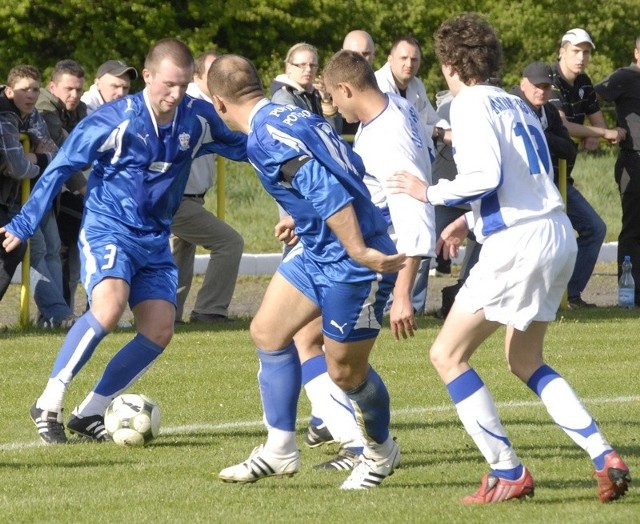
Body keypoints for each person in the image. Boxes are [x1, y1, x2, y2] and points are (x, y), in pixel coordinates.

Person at [388, 12, 630, 504]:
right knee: (525, 359)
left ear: (453, 62)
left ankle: (507, 471)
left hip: (517, 242)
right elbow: (518, 181)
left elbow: (483, 177)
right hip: (553, 230)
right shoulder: (515, 103)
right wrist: (469, 221)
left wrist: (429, 192)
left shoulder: (470, 104)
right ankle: (603, 454)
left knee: (447, 355)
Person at [0, 38, 247, 445]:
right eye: (169, 84)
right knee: (110, 307)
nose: (177, 94)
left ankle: (91, 411)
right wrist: (26, 221)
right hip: (109, 228)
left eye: (185, 85)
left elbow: (238, 146)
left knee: (159, 329)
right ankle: (49, 402)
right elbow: (63, 166)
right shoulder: (115, 119)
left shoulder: (196, 118)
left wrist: (285, 147)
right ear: (147, 77)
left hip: (154, 238)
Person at [207, 53, 406, 489]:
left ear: (219, 104)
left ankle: (380, 452)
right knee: (267, 333)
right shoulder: (292, 116)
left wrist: (358, 248)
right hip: (318, 249)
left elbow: (328, 187)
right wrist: (305, 218)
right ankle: (280, 449)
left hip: (353, 262)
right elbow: (347, 169)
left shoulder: (266, 137)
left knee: (346, 373)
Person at [375, 35, 450, 314]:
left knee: (418, 235)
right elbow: (408, 125)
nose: (409, 64)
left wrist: (449, 129)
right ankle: (386, 305)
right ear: (390, 59)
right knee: (396, 239)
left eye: (415, 59)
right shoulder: (378, 85)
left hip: (414, 171)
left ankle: (410, 306)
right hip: (388, 174)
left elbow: (430, 118)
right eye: (404, 58)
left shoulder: (416, 85)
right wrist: (442, 133)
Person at [548, 28, 621, 308]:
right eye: (576, 51)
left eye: (586, 52)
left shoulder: (584, 82)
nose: (581, 57)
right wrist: (597, 134)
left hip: (565, 175)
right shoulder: (550, 81)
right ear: (562, 51)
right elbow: (563, 125)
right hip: (541, 177)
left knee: (594, 228)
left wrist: (594, 132)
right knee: (551, 239)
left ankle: (570, 294)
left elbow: (599, 124)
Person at [170, 50, 244, 324]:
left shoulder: (208, 105)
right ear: (197, 75)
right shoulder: (192, 106)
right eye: (213, 72)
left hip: (191, 198)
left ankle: (168, 315)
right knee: (229, 242)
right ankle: (210, 311)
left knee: (179, 256)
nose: (220, 78)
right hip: (179, 199)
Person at [37, 59, 89, 321]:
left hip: (47, 191)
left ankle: (56, 316)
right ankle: (55, 315)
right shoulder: (45, 107)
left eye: (79, 89)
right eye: (69, 89)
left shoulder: (78, 109)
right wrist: (85, 191)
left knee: (51, 250)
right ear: (52, 86)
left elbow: (85, 152)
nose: (75, 95)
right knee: (42, 252)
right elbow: (66, 155)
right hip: (30, 192)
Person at [0, 65, 57, 301]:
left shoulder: (31, 114)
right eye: (24, 89)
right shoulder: (3, 116)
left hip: (5, 198)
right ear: (10, 91)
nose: (31, 95)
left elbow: (56, 154)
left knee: (15, 246)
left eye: (35, 89)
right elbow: (16, 167)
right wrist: (37, 160)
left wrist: (36, 158)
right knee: (14, 247)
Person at [595, 36, 640, 305]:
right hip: (634, 160)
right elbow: (593, 98)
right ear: (636, 52)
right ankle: (631, 293)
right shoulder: (625, 76)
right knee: (634, 228)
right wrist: (597, 131)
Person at [270, 42, 340, 131]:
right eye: (302, 65)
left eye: (312, 65)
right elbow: (295, 132)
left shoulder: (317, 94)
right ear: (289, 67)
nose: (308, 69)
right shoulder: (283, 96)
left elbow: (335, 131)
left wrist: (326, 100)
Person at [340, 30, 376, 137]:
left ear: (373, 55)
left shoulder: (383, 88)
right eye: (354, 54)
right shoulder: (327, 91)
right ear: (342, 55)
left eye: (365, 54)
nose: (360, 59)